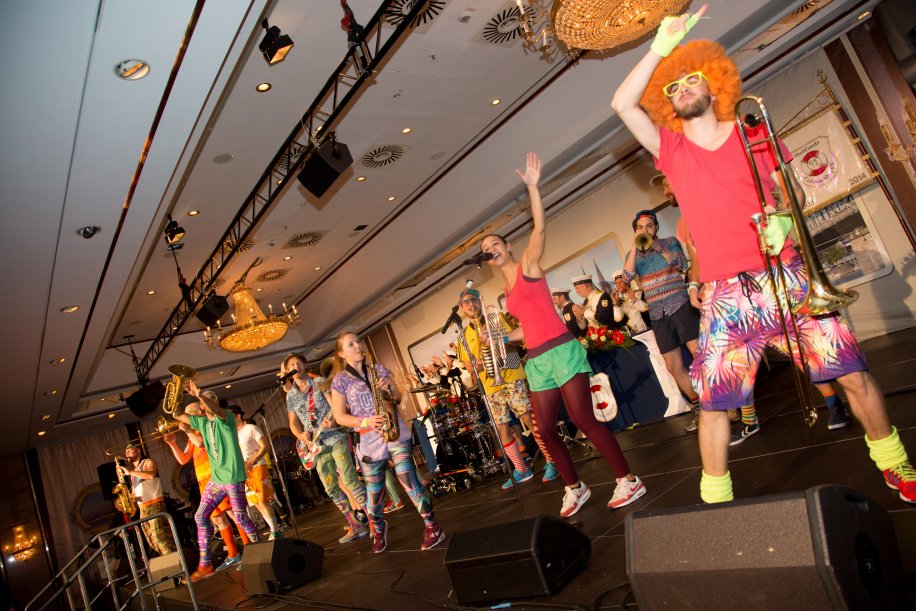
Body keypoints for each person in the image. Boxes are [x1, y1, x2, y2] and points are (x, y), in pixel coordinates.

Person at [611, 5, 915, 504]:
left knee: (853, 375)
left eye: (691, 79)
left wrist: (786, 221)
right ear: (669, 105)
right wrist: (659, 47)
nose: (682, 88)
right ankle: (716, 499)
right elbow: (622, 103)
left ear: (714, 87)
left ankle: (894, 462)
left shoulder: (755, 134)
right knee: (714, 403)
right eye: (673, 86)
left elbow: (794, 194)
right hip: (726, 296)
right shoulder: (672, 151)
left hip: (786, 275)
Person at [481, 152, 647, 517]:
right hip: (538, 359)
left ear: (507, 247)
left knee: (583, 418)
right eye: (485, 250)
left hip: (562, 350)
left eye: (495, 244)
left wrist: (533, 188)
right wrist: (500, 339)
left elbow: (539, 229)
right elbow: (528, 327)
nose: (490, 250)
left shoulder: (527, 265)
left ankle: (628, 479)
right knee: (543, 430)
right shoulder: (506, 293)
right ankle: (575, 487)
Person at [329, 332, 446, 552]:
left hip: (395, 431)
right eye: (351, 344)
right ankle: (378, 528)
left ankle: (433, 527)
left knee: (408, 478)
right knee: (374, 494)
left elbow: (398, 397)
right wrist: (365, 421)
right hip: (368, 439)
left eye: (358, 341)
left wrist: (389, 388)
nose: (357, 346)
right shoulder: (340, 380)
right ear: (342, 354)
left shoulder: (378, 369)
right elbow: (339, 416)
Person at [456, 288, 560, 488]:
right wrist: (476, 365)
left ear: (480, 302)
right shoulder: (463, 335)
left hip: (511, 374)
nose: (470, 305)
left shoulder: (496, 318)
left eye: (473, 300)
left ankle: (551, 460)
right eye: (466, 302)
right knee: (502, 428)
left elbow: (519, 339)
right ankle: (521, 469)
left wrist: (498, 337)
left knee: (528, 418)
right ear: (461, 308)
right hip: (490, 385)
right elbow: (468, 365)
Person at [622, 208, 702, 432]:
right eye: (640, 228)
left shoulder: (669, 242)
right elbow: (627, 277)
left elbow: (681, 264)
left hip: (680, 304)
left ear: (656, 227)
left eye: (649, 226)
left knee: (699, 354)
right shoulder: (633, 255)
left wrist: (656, 245)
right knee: (673, 366)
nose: (645, 230)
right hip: (658, 313)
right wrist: (635, 246)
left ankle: (723, 402)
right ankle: (699, 408)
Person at [173, 385, 260, 581]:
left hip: (234, 477)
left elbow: (215, 410)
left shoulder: (226, 418)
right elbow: (177, 414)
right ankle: (205, 565)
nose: (204, 405)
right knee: (200, 516)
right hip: (217, 479)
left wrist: (200, 395)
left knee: (240, 517)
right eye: (203, 402)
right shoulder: (202, 423)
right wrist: (176, 394)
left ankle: (260, 548)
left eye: (207, 401)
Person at [283, 352, 371, 544]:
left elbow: (336, 407)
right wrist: (300, 435)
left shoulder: (319, 382)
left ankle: (374, 522)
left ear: (304, 365)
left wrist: (334, 421)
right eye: (292, 365)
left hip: (335, 437)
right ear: (288, 371)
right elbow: (293, 423)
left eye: (298, 362)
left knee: (350, 480)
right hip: (315, 446)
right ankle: (356, 525)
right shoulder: (291, 396)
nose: (296, 366)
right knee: (331, 488)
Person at [163, 415, 250, 572]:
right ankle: (234, 554)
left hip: (219, 478)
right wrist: (173, 444)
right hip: (205, 482)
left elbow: (201, 443)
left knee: (233, 514)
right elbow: (183, 460)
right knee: (218, 518)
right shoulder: (192, 436)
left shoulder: (208, 429)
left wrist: (188, 430)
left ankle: (250, 550)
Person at [228, 406, 282, 541]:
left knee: (262, 500)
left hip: (258, 466)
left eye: (230, 416)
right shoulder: (233, 434)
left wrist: (252, 460)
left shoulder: (251, 428)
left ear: (238, 416)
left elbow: (265, 446)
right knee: (256, 503)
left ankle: (276, 531)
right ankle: (273, 530)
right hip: (246, 472)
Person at [119, 443, 177, 557]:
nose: (127, 453)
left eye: (130, 450)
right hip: (143, 509)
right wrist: (127, 499)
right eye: (126, 451)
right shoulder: (133, 474)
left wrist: (130, 472)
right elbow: (134, 495)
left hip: (154, 505)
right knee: (153, 542)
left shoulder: (148, 462)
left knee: (161, 538)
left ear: (138, 450)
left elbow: (151, 475)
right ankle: (171, 560)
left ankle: (176, 561)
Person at [610, 270, 650, 334]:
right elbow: (620, 321)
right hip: (634, 335)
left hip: (649, 330)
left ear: (627, 283)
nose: (618, 285)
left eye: (621, 281)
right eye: (616, 283)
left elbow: (648, 312)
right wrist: (615, 302)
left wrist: (634, 299)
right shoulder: (618, 302)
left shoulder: (640, 293)